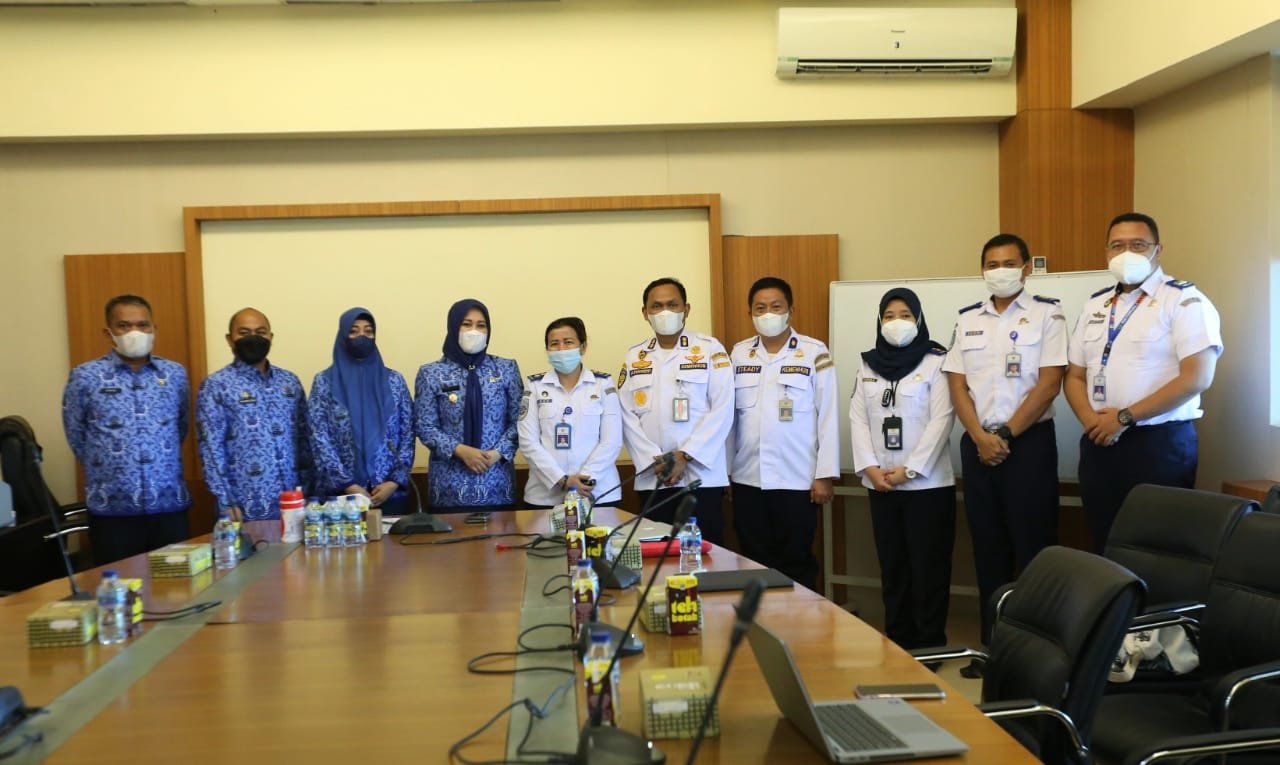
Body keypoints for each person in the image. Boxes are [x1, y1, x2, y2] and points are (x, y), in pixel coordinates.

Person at [1065, 212, 1222, 550]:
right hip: (1099, 441)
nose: (1126, 253)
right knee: (1104, 544)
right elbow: (1075, 375)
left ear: (1157, 250)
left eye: (1138, 245)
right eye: (1117, 245)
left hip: (1158, 445)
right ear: (1106, 251)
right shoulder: (1095, 304)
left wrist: (1124, 418)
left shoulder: (1183, 300)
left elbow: (1197, 377)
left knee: (1158, 548)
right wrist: (1092, 421)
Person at [943, 233, 1067, 654]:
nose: (1001, 271)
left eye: (1009, 263)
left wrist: (1005, 434)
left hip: (1027, 444)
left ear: (1026, 268)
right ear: (982, 270)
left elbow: (1049, 384)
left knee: (1034, 549)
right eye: (992, 264)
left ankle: (1033, 651)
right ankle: (992, 647)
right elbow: (957, 385)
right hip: (978, 445)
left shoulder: (1048, 314)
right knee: (987, 548)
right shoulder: (967, 319)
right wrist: (980, 436)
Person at [849, 288, 956, 651]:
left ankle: (929, 644)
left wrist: (909, 470)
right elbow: (858, 418)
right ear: (879, 321)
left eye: (906, 315)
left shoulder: (937, 361)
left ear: (919, 320)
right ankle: (897, 641)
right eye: (890, 316)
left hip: (928, 487)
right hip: (881, 484)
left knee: (929, 569)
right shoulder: (867, 364)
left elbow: (942, 420)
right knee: (893, 567)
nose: (897, 322)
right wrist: (870, 468)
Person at [62, 295, 192, 564]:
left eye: (143, 325)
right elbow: (76, 433)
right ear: (108, 332)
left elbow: (181, 426)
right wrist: (112, 465)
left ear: (154, 329)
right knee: (120, 584)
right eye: (124, 325)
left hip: (168, 504)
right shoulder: (86, 376)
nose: (135, 332)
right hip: (112, 508)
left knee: (175, 584)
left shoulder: (174, 374)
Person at [728, 277, 839, 590]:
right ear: (750, 313)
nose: (768, 314)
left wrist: (824, 475)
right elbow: (730, 420)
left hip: (797, 479)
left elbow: (828, 414)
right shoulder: (739, 354)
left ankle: (800, 620)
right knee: (753, 563)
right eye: (760, 308)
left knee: (797, 563)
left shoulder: (814, 352)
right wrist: (726, 473)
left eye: (776, 307)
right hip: (748, 478)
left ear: (791, 310)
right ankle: (759, 618)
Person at [617, 277, 733, 543]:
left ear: (686, 309)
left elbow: (723, 408)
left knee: (705, 553)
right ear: (645, 313)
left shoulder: (709, 349)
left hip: (701, 478)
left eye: (672, 304)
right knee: (657, 555)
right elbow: (625, 414)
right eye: (657, 306)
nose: (665, 312)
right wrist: (654, 461)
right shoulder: (635, 356)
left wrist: (685, 455)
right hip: (654, 476)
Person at [196, 308, 312, 522]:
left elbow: (305, 441)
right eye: (244, 333)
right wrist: (227, 502)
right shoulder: (216, 386)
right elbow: (211, 450)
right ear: (230, 339)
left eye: (260, 332)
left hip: (294, 504)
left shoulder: (290, 383)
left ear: (271, 337)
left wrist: (310, 492)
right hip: (243, 507)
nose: (253, 338)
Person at [414, 299, 522, 509]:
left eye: (481, 325)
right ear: (453, 327)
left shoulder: (506, 369)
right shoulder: (431, 373)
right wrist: (460, 450)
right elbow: (424, 425)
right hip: (449, 489)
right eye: (466, 324)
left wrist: (497, 453)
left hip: (497, 485)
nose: (474, 331)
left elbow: (520, 421)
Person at [308, 307, 415, 515]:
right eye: (354, 331)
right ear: (342, 335)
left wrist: (394, 481)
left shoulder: (394, 381)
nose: (362, 336)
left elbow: (408, 432)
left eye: (368, 331)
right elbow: (318, 436)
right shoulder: (324, 382)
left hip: (389, 492)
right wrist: (348, 485)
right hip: (341, 496)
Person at [518, 317, 622, 508]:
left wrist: (585, 480)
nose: (561, 349)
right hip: (545, 495)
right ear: (547, 349)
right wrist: (563, 480)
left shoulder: (603, 384)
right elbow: (527, 441)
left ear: (583, 347)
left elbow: (612, 440)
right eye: (554, 344)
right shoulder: (535, 385)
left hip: (598, 493)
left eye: (568, 342)